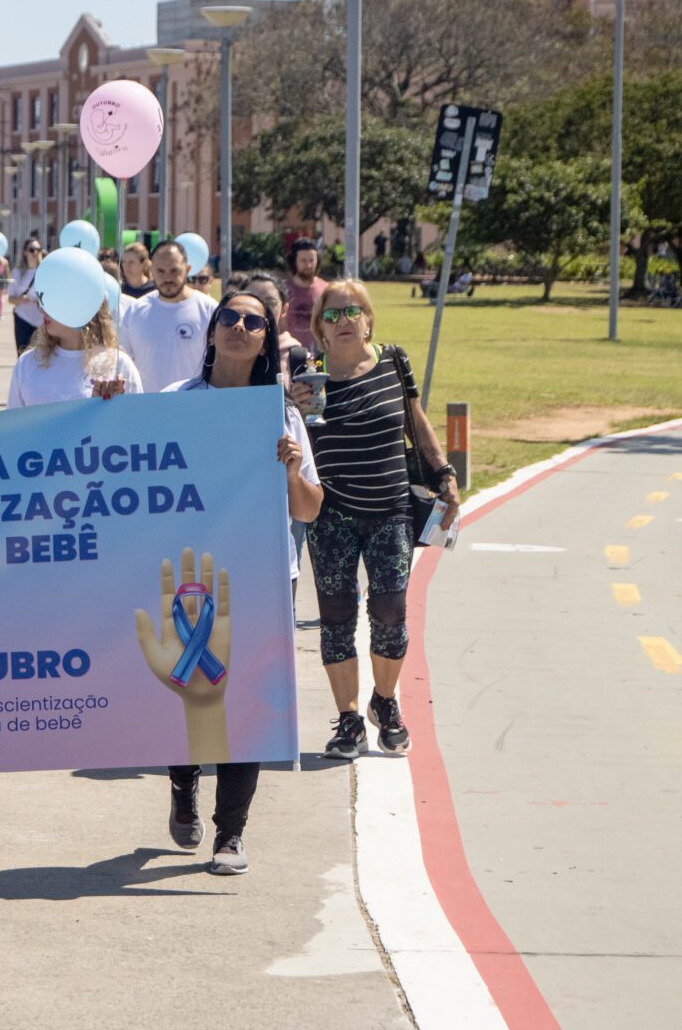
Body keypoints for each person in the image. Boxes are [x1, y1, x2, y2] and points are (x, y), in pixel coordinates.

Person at [153, 290, 322, 874]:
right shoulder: (174, 402)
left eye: (254, 321)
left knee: (243, 701)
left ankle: (231, 834)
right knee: (188, 692)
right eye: (229, 316)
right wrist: (109, 404)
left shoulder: (281, 416)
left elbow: (307, 510)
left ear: (265, 340)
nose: (239, 327)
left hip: (261, 576)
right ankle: (182, 781)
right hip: (186, 575)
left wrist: (289, 466)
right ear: (212, 330)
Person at [306, 279, 460, 758]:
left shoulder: (394, 361)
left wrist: (445, 472)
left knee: (390, 613)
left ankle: (385, 702)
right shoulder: (308, 375)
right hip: (329, 513)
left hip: (391, 511)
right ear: (320, 330)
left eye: (353, 312)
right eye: (332, 315)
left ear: (369, 319)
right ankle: (349, 720)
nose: (344, 321)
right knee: (336, 618)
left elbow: (417, 420)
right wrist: (294, 403)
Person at [119, 239, 217, 395]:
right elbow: (122, 364)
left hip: (195, 410)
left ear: (188, 269)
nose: (168, 278)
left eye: (174, 271)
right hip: (148, 411)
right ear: (151, 271)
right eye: (161, 271)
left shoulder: (210, 310)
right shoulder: (135, 311)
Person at [5, 299, 140, 407]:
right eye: (43, 300)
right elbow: (12, 429)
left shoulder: (118, 363)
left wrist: (113, 409)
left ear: (82, 307)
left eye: (55, 300)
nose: (42, 309)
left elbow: (139, 426)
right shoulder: (27, 362)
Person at [283, 237, 326, 351]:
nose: (308, 265)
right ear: (294, 261)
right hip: (290, 352)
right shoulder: (282, 290)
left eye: (312, 260)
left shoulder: (327, 290)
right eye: (303, 260)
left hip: (320, 353)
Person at [8, 240, 46, 354]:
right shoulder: (17, 272)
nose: (35, 253)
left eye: (38, 250)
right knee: (23, 352)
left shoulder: (45, 271)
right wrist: (22, 299)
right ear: (25, 252)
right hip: (23, 318)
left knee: (41, 354)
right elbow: (10, 299)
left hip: (41, 320)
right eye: (31, 250)